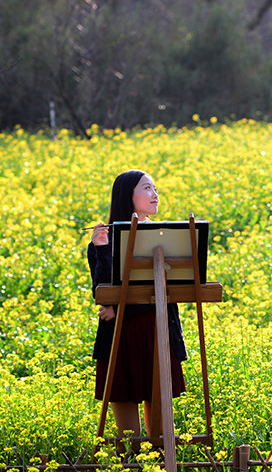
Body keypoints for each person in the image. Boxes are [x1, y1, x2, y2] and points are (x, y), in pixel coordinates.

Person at [88, 169, 187, 445]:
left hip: (157, 332)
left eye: (155, 188)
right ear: (127, 196)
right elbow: (103, 294)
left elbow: (169, 290)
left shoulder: (167, 238)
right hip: (121, 336)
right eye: (147, 188)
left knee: (160, 435)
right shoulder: (102, 240)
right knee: (128, 438)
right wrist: (102, 249)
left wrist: (120, 310)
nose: (155, 195)